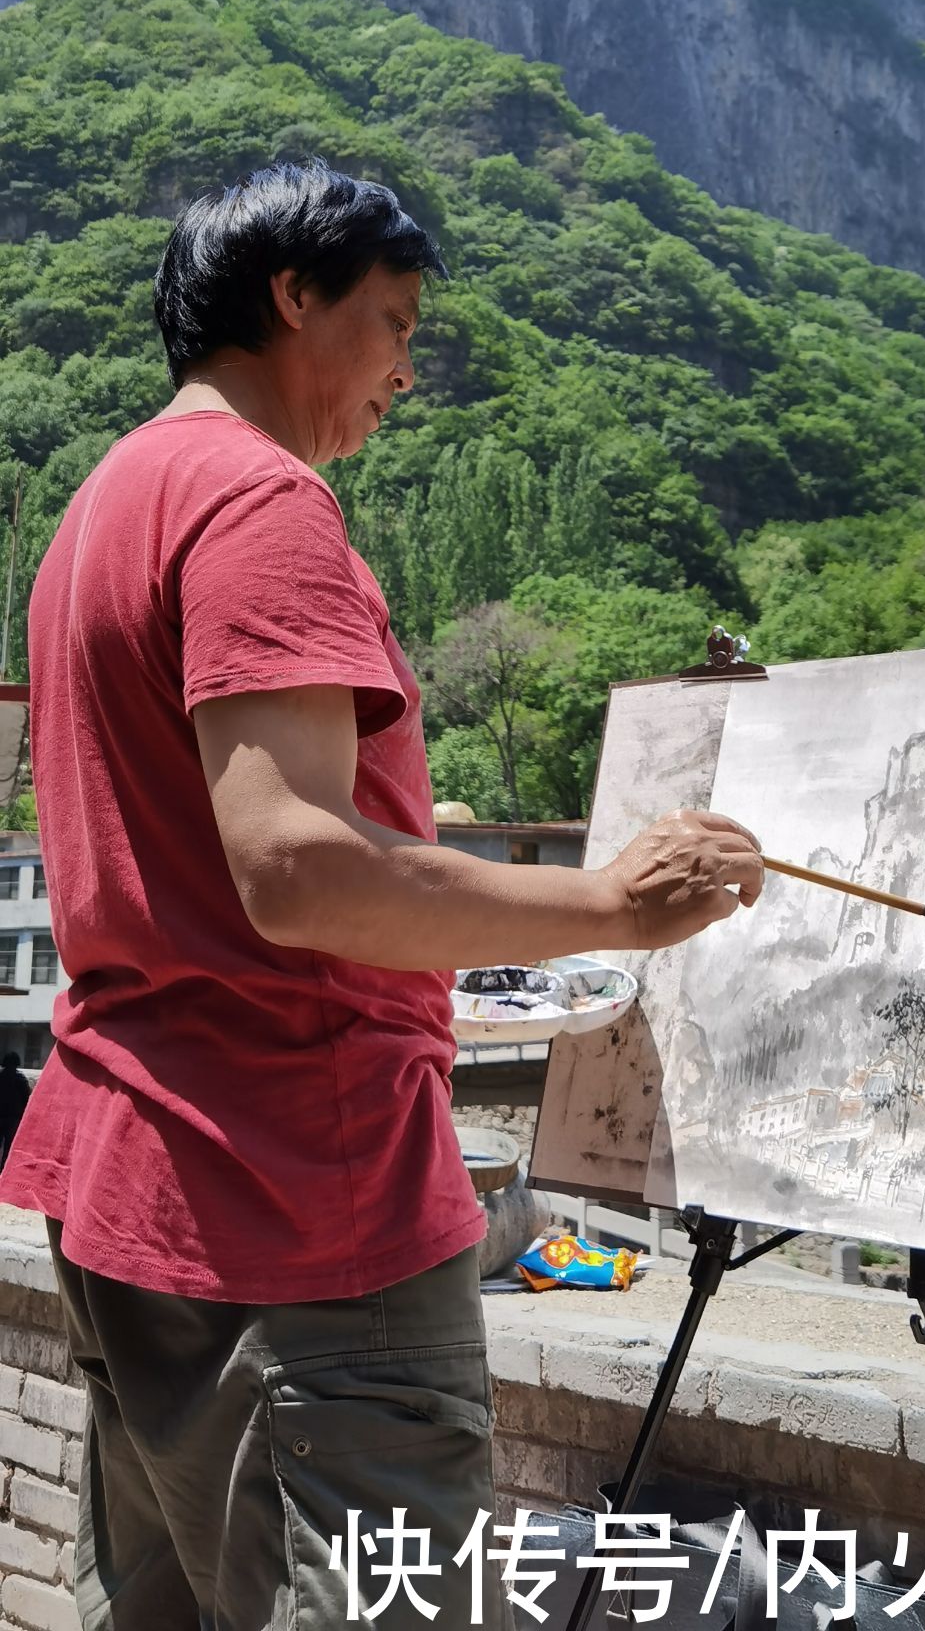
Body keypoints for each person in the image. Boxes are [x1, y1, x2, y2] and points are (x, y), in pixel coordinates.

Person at [3, 158, 765, 1631]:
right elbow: (293, 871)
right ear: (293, 296)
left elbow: (192, 849)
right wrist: (613, 903)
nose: (410, 369)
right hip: (298, 1199)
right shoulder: (260, 502)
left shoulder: (103, 505)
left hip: (132, 1172)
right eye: (397, 321)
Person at [0, 1050, 30, 1165]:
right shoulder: (20, 1079)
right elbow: (26, 1098)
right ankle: (4, 1167)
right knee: (9, 1144)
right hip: (14, 1117)